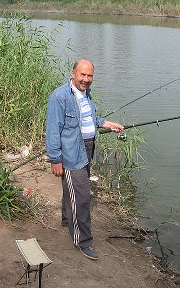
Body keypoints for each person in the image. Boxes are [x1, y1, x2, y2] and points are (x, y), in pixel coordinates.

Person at [45, 59, 124, 260]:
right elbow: (53, 131)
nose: (86, 79)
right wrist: (55, 159)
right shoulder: (60, 96)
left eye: (90, 76)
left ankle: (66, 219)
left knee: (71, 189)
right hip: (72, 154)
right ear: (73, 74)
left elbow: (90, 118)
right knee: (82, 197)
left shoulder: (86, 94)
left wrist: (108, 124)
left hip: (86, 149)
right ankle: (83, 241)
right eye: (82, 75)